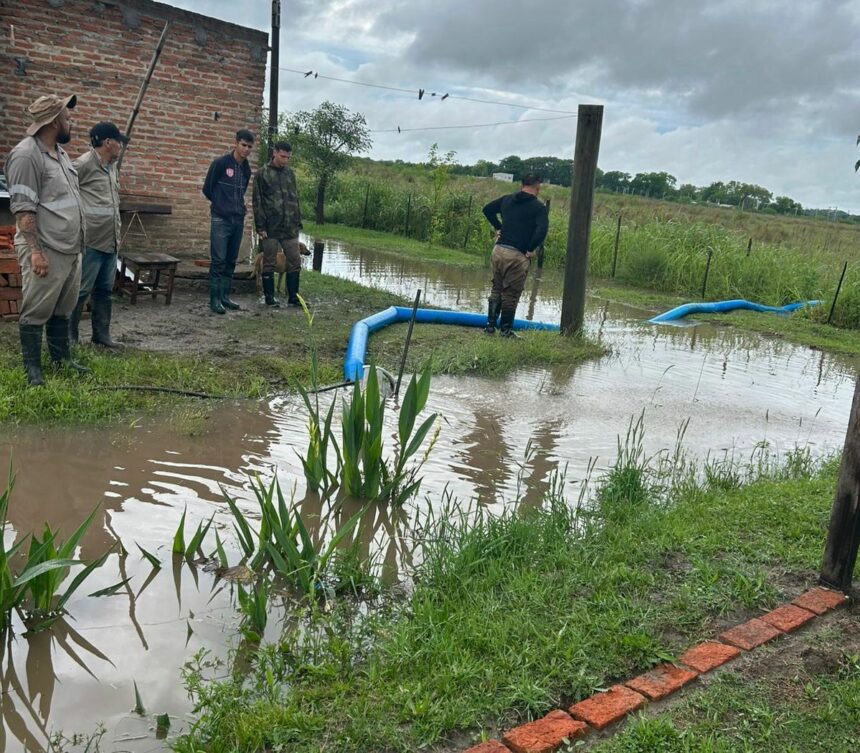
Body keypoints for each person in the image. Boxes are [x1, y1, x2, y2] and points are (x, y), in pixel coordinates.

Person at [5, 93, 88, 386]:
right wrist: (36, 252)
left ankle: (61, 359)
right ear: (54, 121)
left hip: (70, 249)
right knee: (37, 308)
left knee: (62, 308)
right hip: (46, 249)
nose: (71, 122)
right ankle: (32, 369)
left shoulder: (61, 154)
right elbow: (24, 210)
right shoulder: (27, 155)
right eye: (67, 118)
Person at [70, 122, 128, 348]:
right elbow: (62, 190)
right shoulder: (83, 164)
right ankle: (69, 338)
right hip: (91, 241)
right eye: (119, 142)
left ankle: (101, 335)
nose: (121, 146)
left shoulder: (112, 166)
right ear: (108, 143)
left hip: (110, 241)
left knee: (104, 290)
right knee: (80, 291)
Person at [481, 173, 548, 337]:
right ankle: (505, 331)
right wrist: (531, 248)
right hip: (516, 255)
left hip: (498, 250)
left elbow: (487, 210)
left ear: (522, 184)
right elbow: (542, 230)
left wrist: (499, 227)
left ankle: (490, 327)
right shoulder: (539, 207)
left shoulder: (507, 199)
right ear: (537, 186)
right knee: (511, 293)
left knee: (496, 288)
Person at [202, 129, 254, 314]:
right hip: (220, 218)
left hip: (237, 219)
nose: (246, 149)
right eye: (243, 145)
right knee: (218, 260)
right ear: (236, 143)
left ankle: (225, 297)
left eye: (249, 147)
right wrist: (221, 204)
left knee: (231, 260)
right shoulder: (221, 163)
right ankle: (214, 300)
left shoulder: (246, 169)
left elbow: (241, 192)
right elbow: (207, 189)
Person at [252, 141, 303, 307]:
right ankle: (269, 297)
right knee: (269, 261)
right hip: (270, 227)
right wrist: (260, 226)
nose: (285, 160)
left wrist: (297, 222)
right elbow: (257, 201)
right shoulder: (262, 174)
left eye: (288, 157)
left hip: (289, 226)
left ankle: (293, 297)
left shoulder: (290, 173)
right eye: (282, 156)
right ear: (274, 153)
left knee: (295, 261)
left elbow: (294, 198)